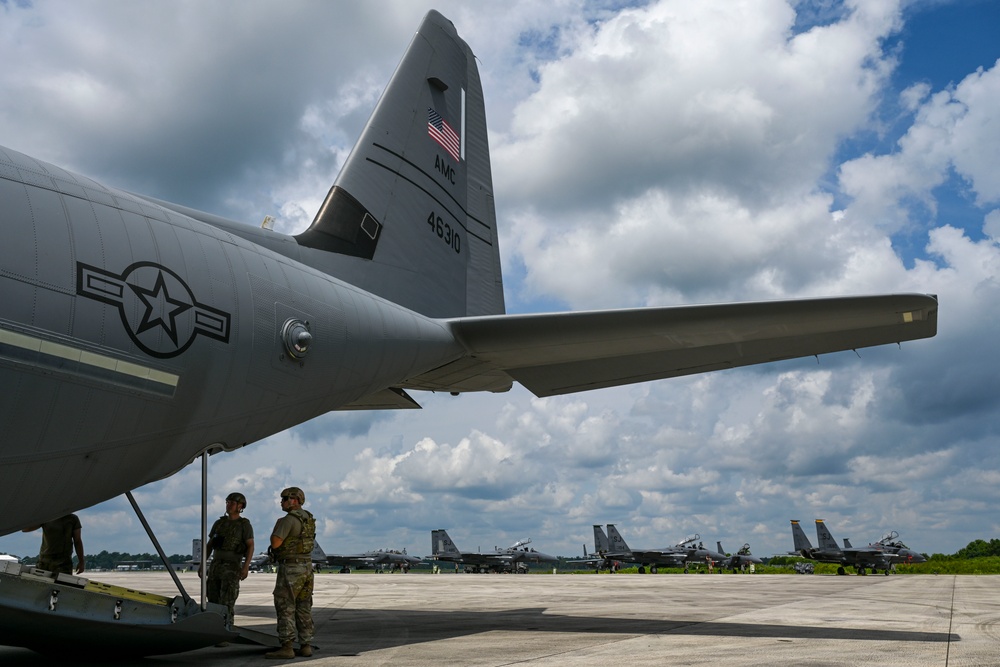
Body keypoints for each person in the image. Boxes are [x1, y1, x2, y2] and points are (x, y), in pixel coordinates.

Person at [265, 486, 316, 659]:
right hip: (307, 567)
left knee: (285, 606)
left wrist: (277, 526)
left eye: (285, 498)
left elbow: (276, 543)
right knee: (303, 606)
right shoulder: (308, 518)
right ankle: (305, 645)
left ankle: (287, 647)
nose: (282, 501)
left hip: (291, 567)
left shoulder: (288, 520)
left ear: (295, 500)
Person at [199, 492, 254, 632]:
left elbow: (250, 546)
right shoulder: (219, 523)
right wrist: (202, 564)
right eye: (227, 502)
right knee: (212, 600)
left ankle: (226, 630)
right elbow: (210, 545)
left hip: (232, 567)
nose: (229, 505)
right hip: (216, 565)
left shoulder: (244, 525)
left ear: (240, 506)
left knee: (227, 602)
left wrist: (245, 566)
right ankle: (214, 630)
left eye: (232, 503)